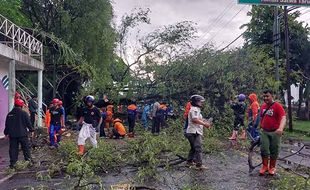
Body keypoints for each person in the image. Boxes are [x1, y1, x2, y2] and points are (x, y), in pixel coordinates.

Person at [259, 89, 286, 176]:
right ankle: (264, 166)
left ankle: (272, 167)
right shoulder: (263, 106)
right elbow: (261, 117)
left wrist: (281, 128)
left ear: (272, 96)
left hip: (275, 132)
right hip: (265, 132)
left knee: (274, 150)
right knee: (264, 149)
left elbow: (283, 118)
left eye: (267, 96)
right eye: (264, 96)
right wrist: (259, 126)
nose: (265, 98)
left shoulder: (277, 106)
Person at [4, 99, 34, 168]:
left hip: (13, 135)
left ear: (15, 105)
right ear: (21, 105)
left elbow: (7, 125)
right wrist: (31, 130)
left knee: (13, 149)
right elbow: (28, 123)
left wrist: (6, 133)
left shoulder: (10, 114)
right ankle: (29, 161)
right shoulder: (24, 113)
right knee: (25, 148)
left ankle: (13, 164)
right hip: (22, 134)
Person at [185, 95, 211, 170]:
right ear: (196, 102)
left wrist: (206, 122)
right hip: (194, 132)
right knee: (198, 148)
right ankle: (199, 164)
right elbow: (194, 119)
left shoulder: (196, 109)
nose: (201, 103)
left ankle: (189, 162)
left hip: (194, 131)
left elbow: (199, 119)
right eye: (200, 102)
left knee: (193, 148)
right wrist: (205, 124)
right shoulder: (194, 109)